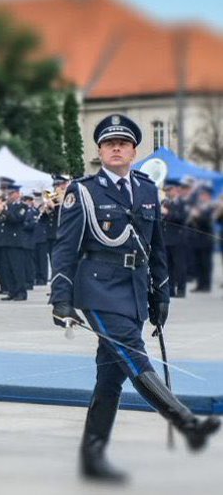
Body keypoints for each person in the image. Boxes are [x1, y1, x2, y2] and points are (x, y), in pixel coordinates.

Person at [51, 114, 219, 483]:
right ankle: (186, 421)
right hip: (96, 288)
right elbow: (65, 249)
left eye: (123, 143)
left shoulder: (146, 189)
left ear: (133, 151)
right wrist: (60, 297)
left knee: (110, 377)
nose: (116, 148)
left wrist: (162, 294)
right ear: (99, 151)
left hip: (134, 290)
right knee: (131, 352)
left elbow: (156, 246)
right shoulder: (83, 191)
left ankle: (92, 456)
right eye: (109, 143)